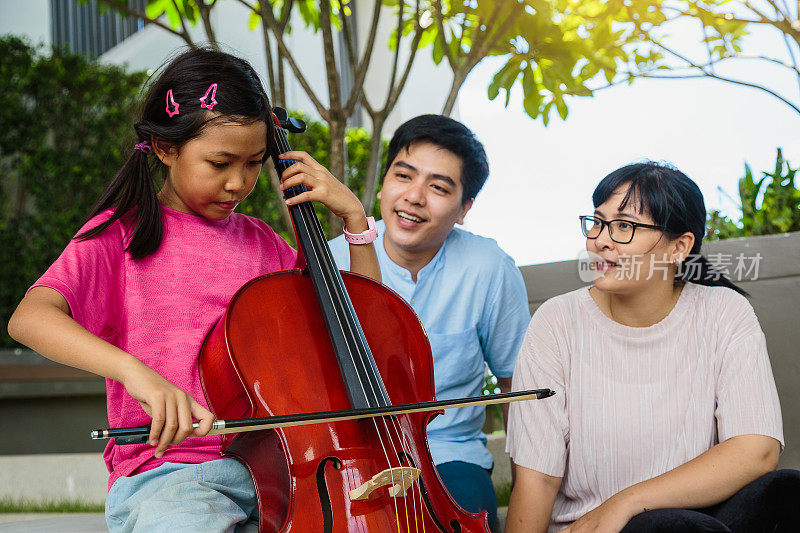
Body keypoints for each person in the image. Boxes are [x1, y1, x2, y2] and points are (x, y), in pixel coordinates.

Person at [7, 48, 380, 532]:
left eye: (253, 164)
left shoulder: (265, 243)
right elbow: (29, 318)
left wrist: (355, 221)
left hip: (286, 469)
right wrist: (134, 371)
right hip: (171, 478)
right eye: (220, 162)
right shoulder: (122, 235)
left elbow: (359, 333)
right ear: (166, 148)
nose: (238, 183)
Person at [505, 161, 799, 533]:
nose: (600, 240)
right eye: (597, 221)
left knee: (786, 491)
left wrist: (626, 502)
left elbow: (756, 451)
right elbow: (537, 480)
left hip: (706, 520)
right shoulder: (558, 321)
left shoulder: (724, 311)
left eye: (625, 226)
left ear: (679, 247)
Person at [328, 114, 531, 531]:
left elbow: (516, 384)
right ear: (384, 183)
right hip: (343, 454)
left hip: (449, 457)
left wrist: (528, 497)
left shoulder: (489, 267)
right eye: (404, 176)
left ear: (464, 208)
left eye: (439, 187)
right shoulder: (330, 259)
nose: (414, 197)